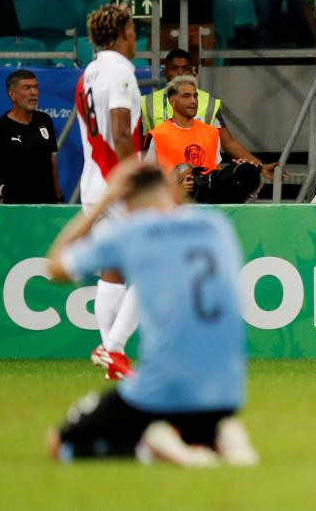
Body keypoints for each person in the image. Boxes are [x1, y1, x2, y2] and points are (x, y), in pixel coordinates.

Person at [45, 163, 258, 466]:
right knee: (185, 416)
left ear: (127, 203)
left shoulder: (132, 232)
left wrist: (103, 203)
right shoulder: (215, 225)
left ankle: (161, 447)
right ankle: (209, 434)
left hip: (163, 386)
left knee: (58, 446)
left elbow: (53, 268)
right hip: (227, 390)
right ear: (169, 191)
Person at [75, 4, 145, 381]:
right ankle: (112, 347)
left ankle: (112, 362)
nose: (137, 38)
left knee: (113, 272)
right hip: (116, 183)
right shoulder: (119, 72)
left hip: (93, 186)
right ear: (122, 34)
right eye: (134, 31)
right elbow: (120, 132)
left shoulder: (89, 73)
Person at [140, 49, 274, 175]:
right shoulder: (147, 103)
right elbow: (140, 146)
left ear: (192, 71)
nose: (180, 73)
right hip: (165, 182)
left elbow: (228, 143)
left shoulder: (209, 103)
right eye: (174, 68)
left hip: (202, 183)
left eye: (185, 68)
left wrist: (260, 166)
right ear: (165, 71)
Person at [0, 70, 62, 204]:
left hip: (46, 206)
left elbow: (51, 160)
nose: (33, 92)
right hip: (12, 209)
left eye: (35, 87)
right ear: (12, 95)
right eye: (27, 87)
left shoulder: (44, 120)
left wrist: (58, 199)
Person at [144, 76, 221, 174]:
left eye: (195, 96)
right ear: (172, 102)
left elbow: (216, 169)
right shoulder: (158, 136)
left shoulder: (212, 133)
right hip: (173, 189)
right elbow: (149, 177)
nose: (193, 101)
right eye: (186, 96)